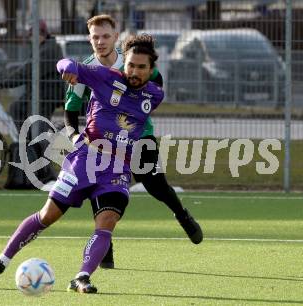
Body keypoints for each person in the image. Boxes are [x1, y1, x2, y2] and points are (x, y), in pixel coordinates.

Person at [0, 34, 164, 293]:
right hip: (84, 160)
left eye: (141, 67)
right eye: (130, 65)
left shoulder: (154, 94)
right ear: (124, 64)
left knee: (107, 221)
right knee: (47, 216)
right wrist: (68, 72)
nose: (134, 71)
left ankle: (81, 277)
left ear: (151, 70)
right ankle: (0, 262)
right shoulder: (106, 77)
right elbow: (64, 63)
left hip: (117, 168)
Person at [64, 14, 203, 269]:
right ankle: (105, 245)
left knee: (155, 184)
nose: (100, 41)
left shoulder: (133, 60)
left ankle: (182, 215)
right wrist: (75, 135)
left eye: (106, 36)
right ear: (89, 39)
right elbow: (70, 110)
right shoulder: (87, 69)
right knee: (101, 188)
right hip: (101, 142)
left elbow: (157, 81)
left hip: (139, 137)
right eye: (95, 37)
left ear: (115, 37)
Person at [0, 19, 64, 184]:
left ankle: (49, 174)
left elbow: (27, 72)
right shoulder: (41, 48)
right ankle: (28, 144)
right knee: (16, 108)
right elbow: (25, 71)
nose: (33, 38)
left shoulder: (51, 49)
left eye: (38, 34)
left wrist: (2, 83)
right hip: (36, 94)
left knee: (38, 134)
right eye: (31, 36)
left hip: (46, 96)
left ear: (44, 34)